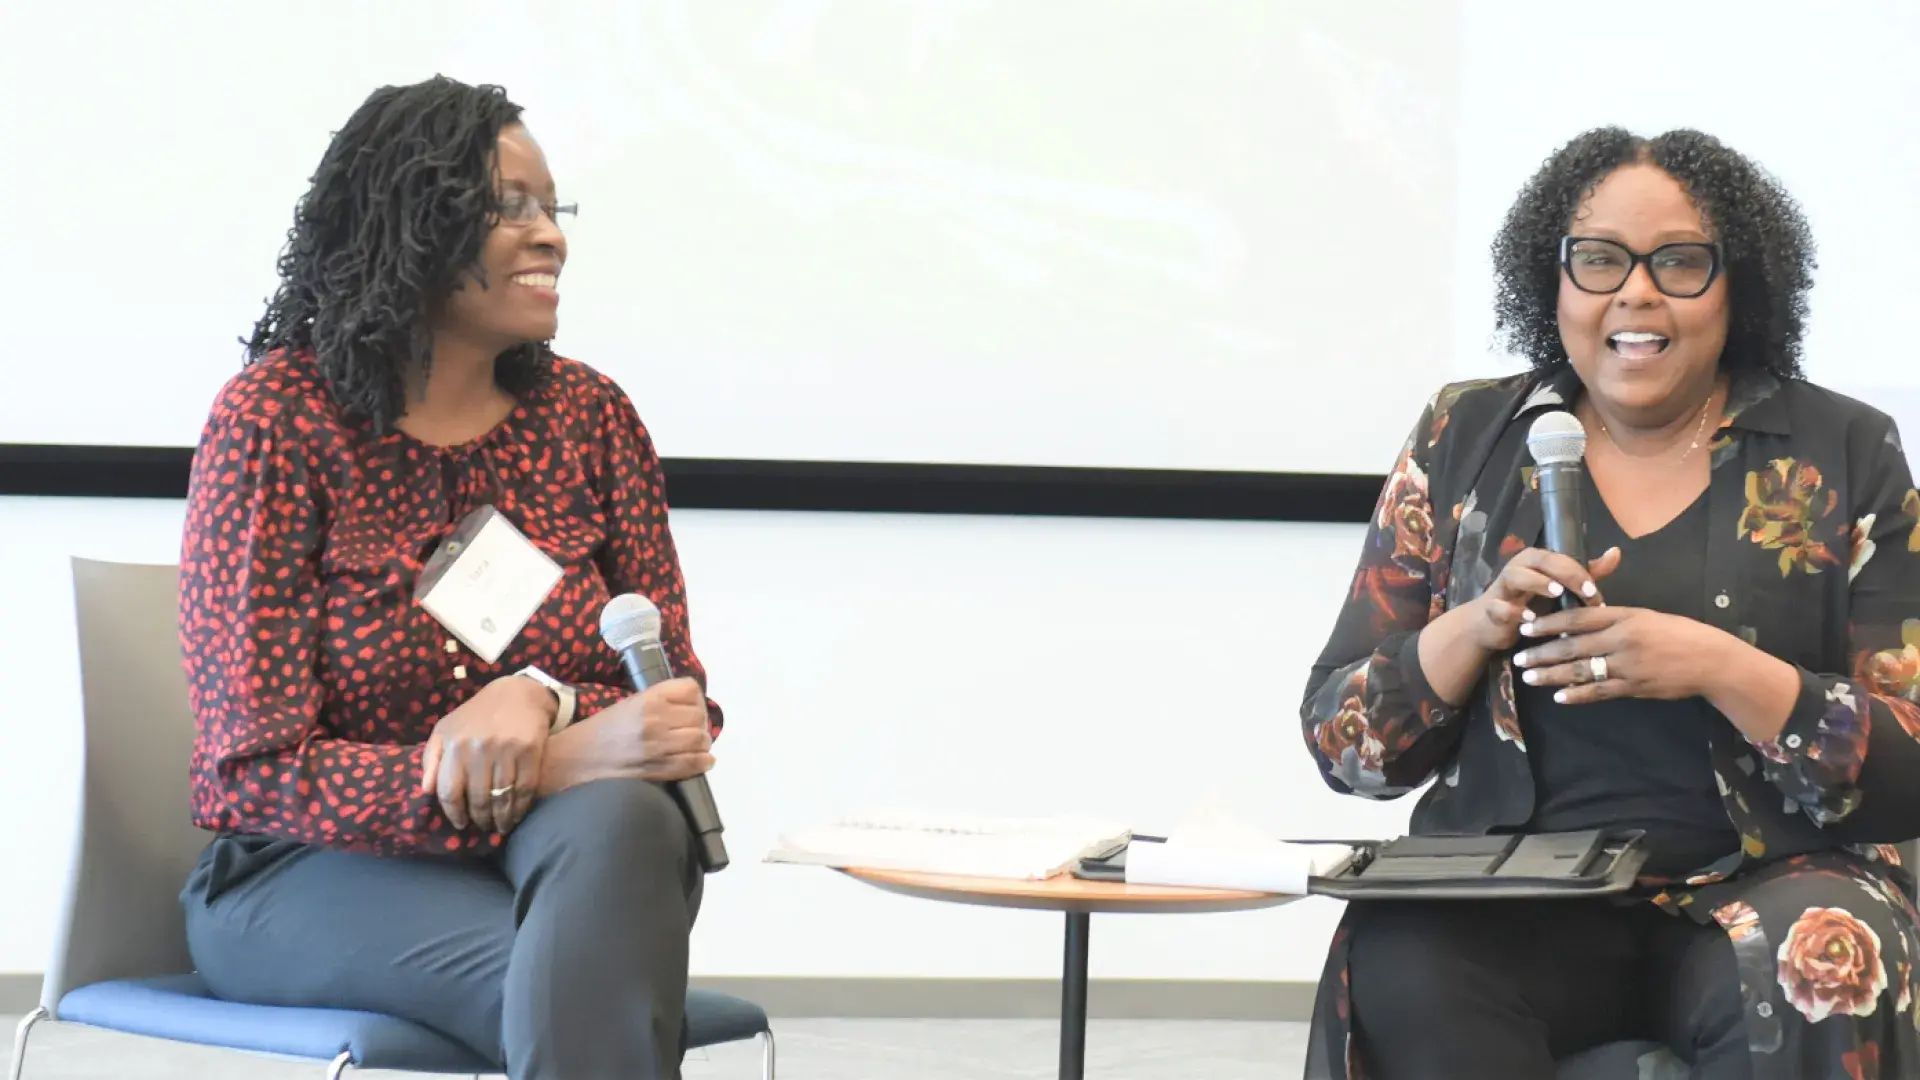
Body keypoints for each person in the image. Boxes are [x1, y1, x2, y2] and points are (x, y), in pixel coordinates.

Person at [1299, 126, 1920, 1080]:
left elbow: (1909, 758)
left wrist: (1719, 666)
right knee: (1402, 951)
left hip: (1768, 882)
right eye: (1598, 260)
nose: (1635, 292)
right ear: (1553, 283)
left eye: (1679, 262)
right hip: (1515, 891)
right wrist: (1472, 628)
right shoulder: (1465, 434)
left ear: (1737, 284)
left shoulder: (1844, 450)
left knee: (1823, 952)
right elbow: (1348, 750)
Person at [176, 76, 721, 1080]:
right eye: (506, 204)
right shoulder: (278, 422)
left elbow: (675, 714)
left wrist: (540, 698)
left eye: (551, 208)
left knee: (634, 813)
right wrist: (550, 766)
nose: (550, 236)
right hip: (304, 876)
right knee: (592, 991)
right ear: (403, 220)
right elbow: (250, 770)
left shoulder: (591, 419)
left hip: (553, 865)